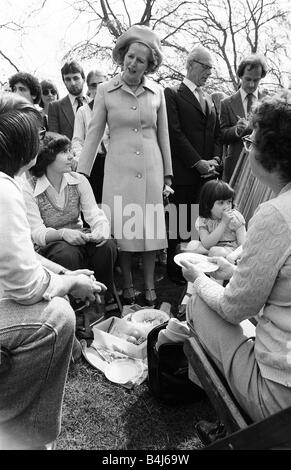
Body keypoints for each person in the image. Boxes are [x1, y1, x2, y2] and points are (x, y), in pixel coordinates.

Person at [0, 92, 105, 449]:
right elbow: (26, 287)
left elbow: (18, 256)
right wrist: (68, 282)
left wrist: (62, 273)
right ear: (29, 148)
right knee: (57, 316)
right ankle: (30, 435)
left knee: (84, 256)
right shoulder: (9, 190)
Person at [181, 90, 291, 424]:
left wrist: (197, 278)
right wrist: (233, 268)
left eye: (250, 142)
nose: (247, 149)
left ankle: (206, 398)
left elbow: (233, 308)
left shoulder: (275, 214)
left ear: (269, 154)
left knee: (199, 302)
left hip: (279, 398)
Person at [77, 25, 173, 306]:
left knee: (150, 231)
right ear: (123, 55)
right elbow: (93, 133)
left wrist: (167, 175)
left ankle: (150, 285)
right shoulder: (105, 90)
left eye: (140, 60)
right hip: (118, 170)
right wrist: (80, 175)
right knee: (125, 231)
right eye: (130, 56)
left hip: (152, 168)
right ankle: (129, 285)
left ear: (148, 65)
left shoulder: (158, 92)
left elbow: (163, 135)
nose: (133, 63)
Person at [23, 133, 117, 305]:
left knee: (107, 246)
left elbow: (94, 214)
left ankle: (102, 300)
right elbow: (36, 232)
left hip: (80, 236)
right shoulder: (29, 188)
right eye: (64, 152)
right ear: (48, 157)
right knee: (67, 253)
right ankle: (76, 305)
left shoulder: (79, 180)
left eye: (70, 151)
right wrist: (63, 233)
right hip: (52, 245)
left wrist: (101, 229)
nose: (71, 156)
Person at [164, 46, 222, 285]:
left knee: (199, 226)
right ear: (190, 64)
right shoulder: (172, 93)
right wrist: (196, 162)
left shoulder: (209, 99)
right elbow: (174, 133)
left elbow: (216, 134)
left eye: (210, 68)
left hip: (206, 177)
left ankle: (197, 270)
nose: (209, 72)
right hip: (184, 174)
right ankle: (174, 271)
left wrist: (215, 160)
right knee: (178, 225)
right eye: (205, 66)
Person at [220, 54, 267, 183]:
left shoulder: (268, 101)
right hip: (235, 167)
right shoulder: (226, 103)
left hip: (263, 167)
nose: (252, 85)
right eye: (248, 79)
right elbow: (221, 136)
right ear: (240, 76)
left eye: (256, 80)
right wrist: (237, 130)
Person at [186, 179, 246, 263]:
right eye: (221, 203)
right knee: (191, 246)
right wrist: (223, 223)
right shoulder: (203, 220)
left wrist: (234, 255)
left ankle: (211, 257)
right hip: (210, 247)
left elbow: (243, 244)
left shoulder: (236, 218)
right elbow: (206, 244)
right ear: (208, 204)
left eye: (229, 202)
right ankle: (209, 256)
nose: (226, 207)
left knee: (216, 251)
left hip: (230, 249)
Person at [72, 69, 109, 203]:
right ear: (88, 88)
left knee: (116, 203)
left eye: (101, 83)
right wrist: (83, 160)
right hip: (93, 163)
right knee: (95, 204)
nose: (98, 88)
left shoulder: (116, 109)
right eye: (93, 85)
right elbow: (77, 140)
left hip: (114, 161)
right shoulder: (83, 111)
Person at [48, 60, 89, 140]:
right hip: (69, 151)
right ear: (64, 82)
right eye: (68, 79)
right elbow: (55, 141)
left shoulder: (95, 102)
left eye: (76, 78)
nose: (72, 83)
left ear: (84, 79)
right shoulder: (55, 107)